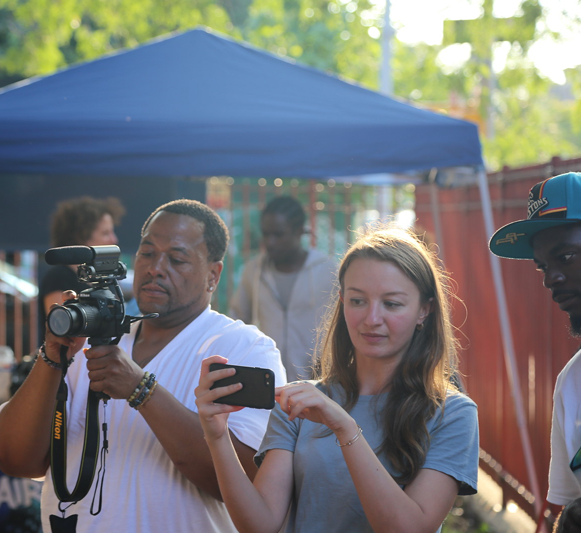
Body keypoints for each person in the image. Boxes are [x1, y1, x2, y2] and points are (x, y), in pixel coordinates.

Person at [0, 199, 286, 532]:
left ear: (213, 276)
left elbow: (249, 482)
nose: (156, 267)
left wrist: (142, 390)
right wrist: (51, 356)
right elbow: (15, 459)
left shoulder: (242, 347)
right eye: (147, 253)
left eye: (176, 258)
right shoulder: (90, 338)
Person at [196, 224, 479, 533]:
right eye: (358, 300)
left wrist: (345, 428)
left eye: (392, 304)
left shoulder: (452, 413)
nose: (372, 319)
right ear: (343, 301)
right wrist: (217, 436)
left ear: (424, 310)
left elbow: (410, 528)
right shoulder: (301, 403)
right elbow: (259, 525)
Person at [488, 172, 581, 529]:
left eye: (567, 256)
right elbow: (567, 510)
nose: (550, 279)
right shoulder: (572, 383)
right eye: (543, 266)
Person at [228, 196, 337, 381]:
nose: (270, 242)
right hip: (268, 385)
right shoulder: (254, 271)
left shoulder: (327, 271)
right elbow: (237, 320)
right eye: (266, 234)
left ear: (299, 232)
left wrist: (328, 363)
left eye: (278, 235)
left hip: (318, 384)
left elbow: (340, 325)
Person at [37, 196, 125, 345]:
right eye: (105, 233)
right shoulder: (58, 277)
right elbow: (61, 328)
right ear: (82, 237)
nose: (114, 239)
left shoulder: (107, 280)